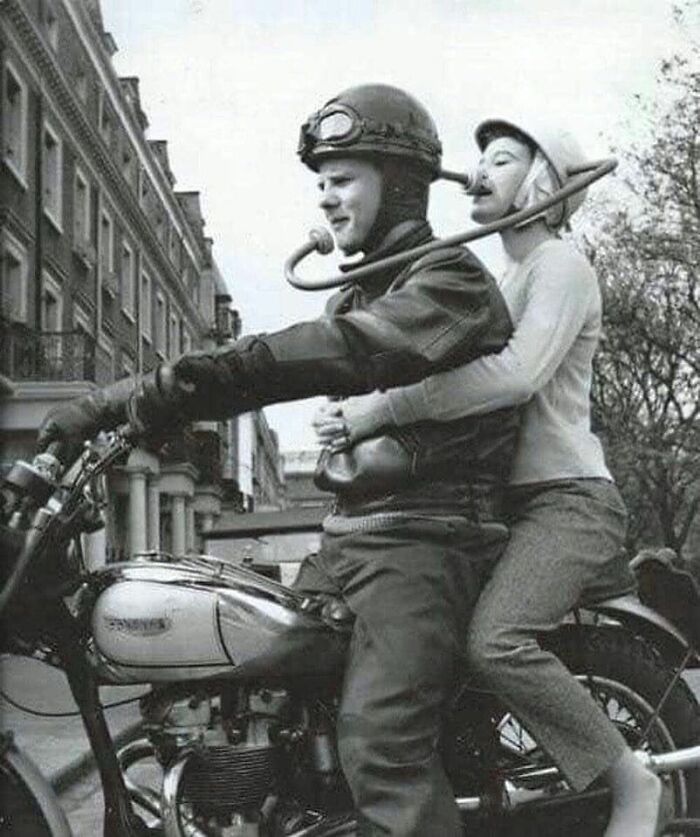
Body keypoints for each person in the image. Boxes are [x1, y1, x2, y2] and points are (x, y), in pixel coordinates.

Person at [38, 85, 521, 836]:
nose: (327, 200)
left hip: (428, 539)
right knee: (254, 674)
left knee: (382, 745)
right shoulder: (363, 289)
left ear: (399, 183)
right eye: (321, 183)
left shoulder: (447, 282)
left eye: (344, 179)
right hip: (357, 537)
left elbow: (332, 353)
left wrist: (144, 395)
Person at [313, 117, 664, 837]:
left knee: (495, 641)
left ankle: (633, 780)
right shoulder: (505, 277)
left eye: (501, 159)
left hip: (567, 501)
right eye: (478, 158)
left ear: (541, 185)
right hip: (505, 503)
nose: (478, 169)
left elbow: (514, 375)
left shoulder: (559, 266)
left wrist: (380, 409)